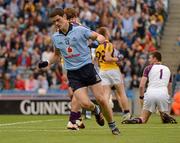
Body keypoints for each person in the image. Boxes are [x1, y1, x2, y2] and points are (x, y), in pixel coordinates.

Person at [38, 8, 120, 135]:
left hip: (87, 69)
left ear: (64, 17)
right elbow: (56, 55)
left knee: (102, 99)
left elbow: (100, 36)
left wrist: (97, 41)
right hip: (73, 74)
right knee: (85, 104)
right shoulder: (55, 37)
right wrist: (47, 62)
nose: (57, 24)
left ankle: (113, 126)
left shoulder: (80, 29)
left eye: (58, 20)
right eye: (54, 22)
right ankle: (96, 110)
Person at [122, 51, 177, 124]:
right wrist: (168, 98)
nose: (149, 60)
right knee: (165, 120)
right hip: (163, 94)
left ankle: (136, 120)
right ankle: (165, 116)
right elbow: (169, 87)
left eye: (150, 58)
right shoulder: (168, 69)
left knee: (143, 119)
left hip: (150, 93)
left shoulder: (148, 68)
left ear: (155, 59)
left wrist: (141, 97)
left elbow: (141, 85)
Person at [95, 27, 131, 121]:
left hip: (102, 71)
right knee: (121, 92)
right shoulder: (109, 44)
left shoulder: (98, 48)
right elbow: (107, 58)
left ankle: (104, 113)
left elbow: (97, 62)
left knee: (106, 94)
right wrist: (119, 58)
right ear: (106, 34)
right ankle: (127, 113)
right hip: (112, 70)